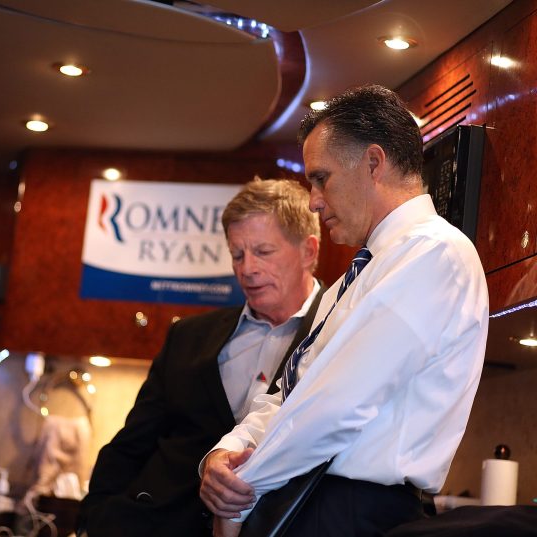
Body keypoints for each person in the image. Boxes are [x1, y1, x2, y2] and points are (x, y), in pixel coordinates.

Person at [200, 84, 489, 537]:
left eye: (321, 177)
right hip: (303, 499)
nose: (313, 199)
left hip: (355, 512)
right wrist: (226, 452)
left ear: (373, 163)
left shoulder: (436, 253)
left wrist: (236, 494)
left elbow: (335, 407)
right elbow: (287, 396)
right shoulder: (347, 284)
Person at [76, 178, 325, 536]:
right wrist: (93, 519)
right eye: (237, 254)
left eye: (263, 252)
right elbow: (130, 445)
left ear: (309, 251)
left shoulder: (338, 332)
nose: (247, 268)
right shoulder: (188, 337)